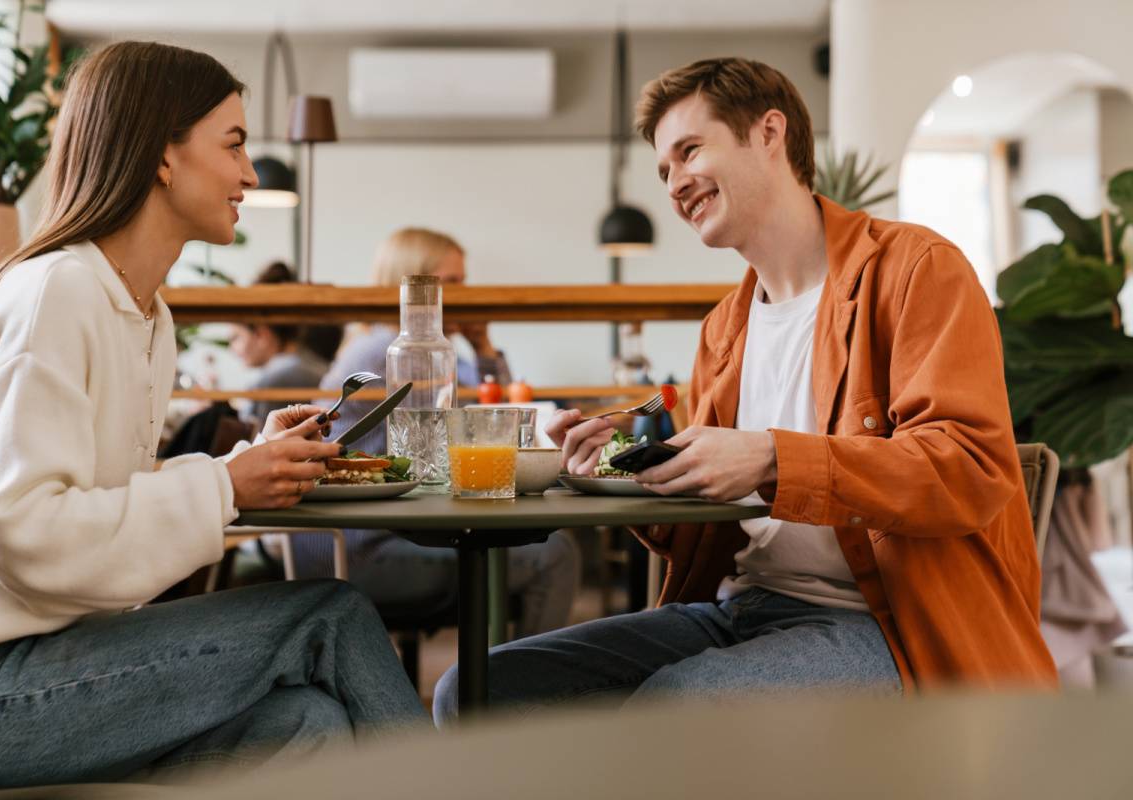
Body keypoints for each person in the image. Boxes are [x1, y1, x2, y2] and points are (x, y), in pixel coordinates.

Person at [434, 57, 1056, 723]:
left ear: (769, 133)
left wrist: (771, 457)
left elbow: (967, 470)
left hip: (891, 627)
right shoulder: (725, 328)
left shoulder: (915, 271)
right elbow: (702, 527)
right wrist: (632, 459)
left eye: (690, 150)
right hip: (746, 606)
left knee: (678, 710)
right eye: (664, 169)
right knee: (476, 692)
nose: (674, 183)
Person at [0, 42, 425, 791]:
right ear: (163, 155)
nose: (250, 174)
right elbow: (26, 533)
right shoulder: (56, 295)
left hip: (41, 658)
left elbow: (98, 494)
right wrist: (226, 489)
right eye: (233, 145)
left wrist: (242, 467)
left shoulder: (146, 316)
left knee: (306, 725)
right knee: (331, 613)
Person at [294, 228, 579, 638]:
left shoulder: (384, 343)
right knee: (554, 555)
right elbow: (486, 422)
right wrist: (483, 349)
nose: (466, 293)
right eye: (454, 283)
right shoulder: (395, 351)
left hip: (360, 535)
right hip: (358, 549)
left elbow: (494, 414)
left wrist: (480, 342)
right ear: (419, 287)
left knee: (533, 547)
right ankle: (522, 690)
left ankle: (508, 677)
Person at [229, 261, 341, 428]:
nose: (233, 349)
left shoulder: (279, 378)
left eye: (236, 338)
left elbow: (257, 444)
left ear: (261, 334)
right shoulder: (308, 366)